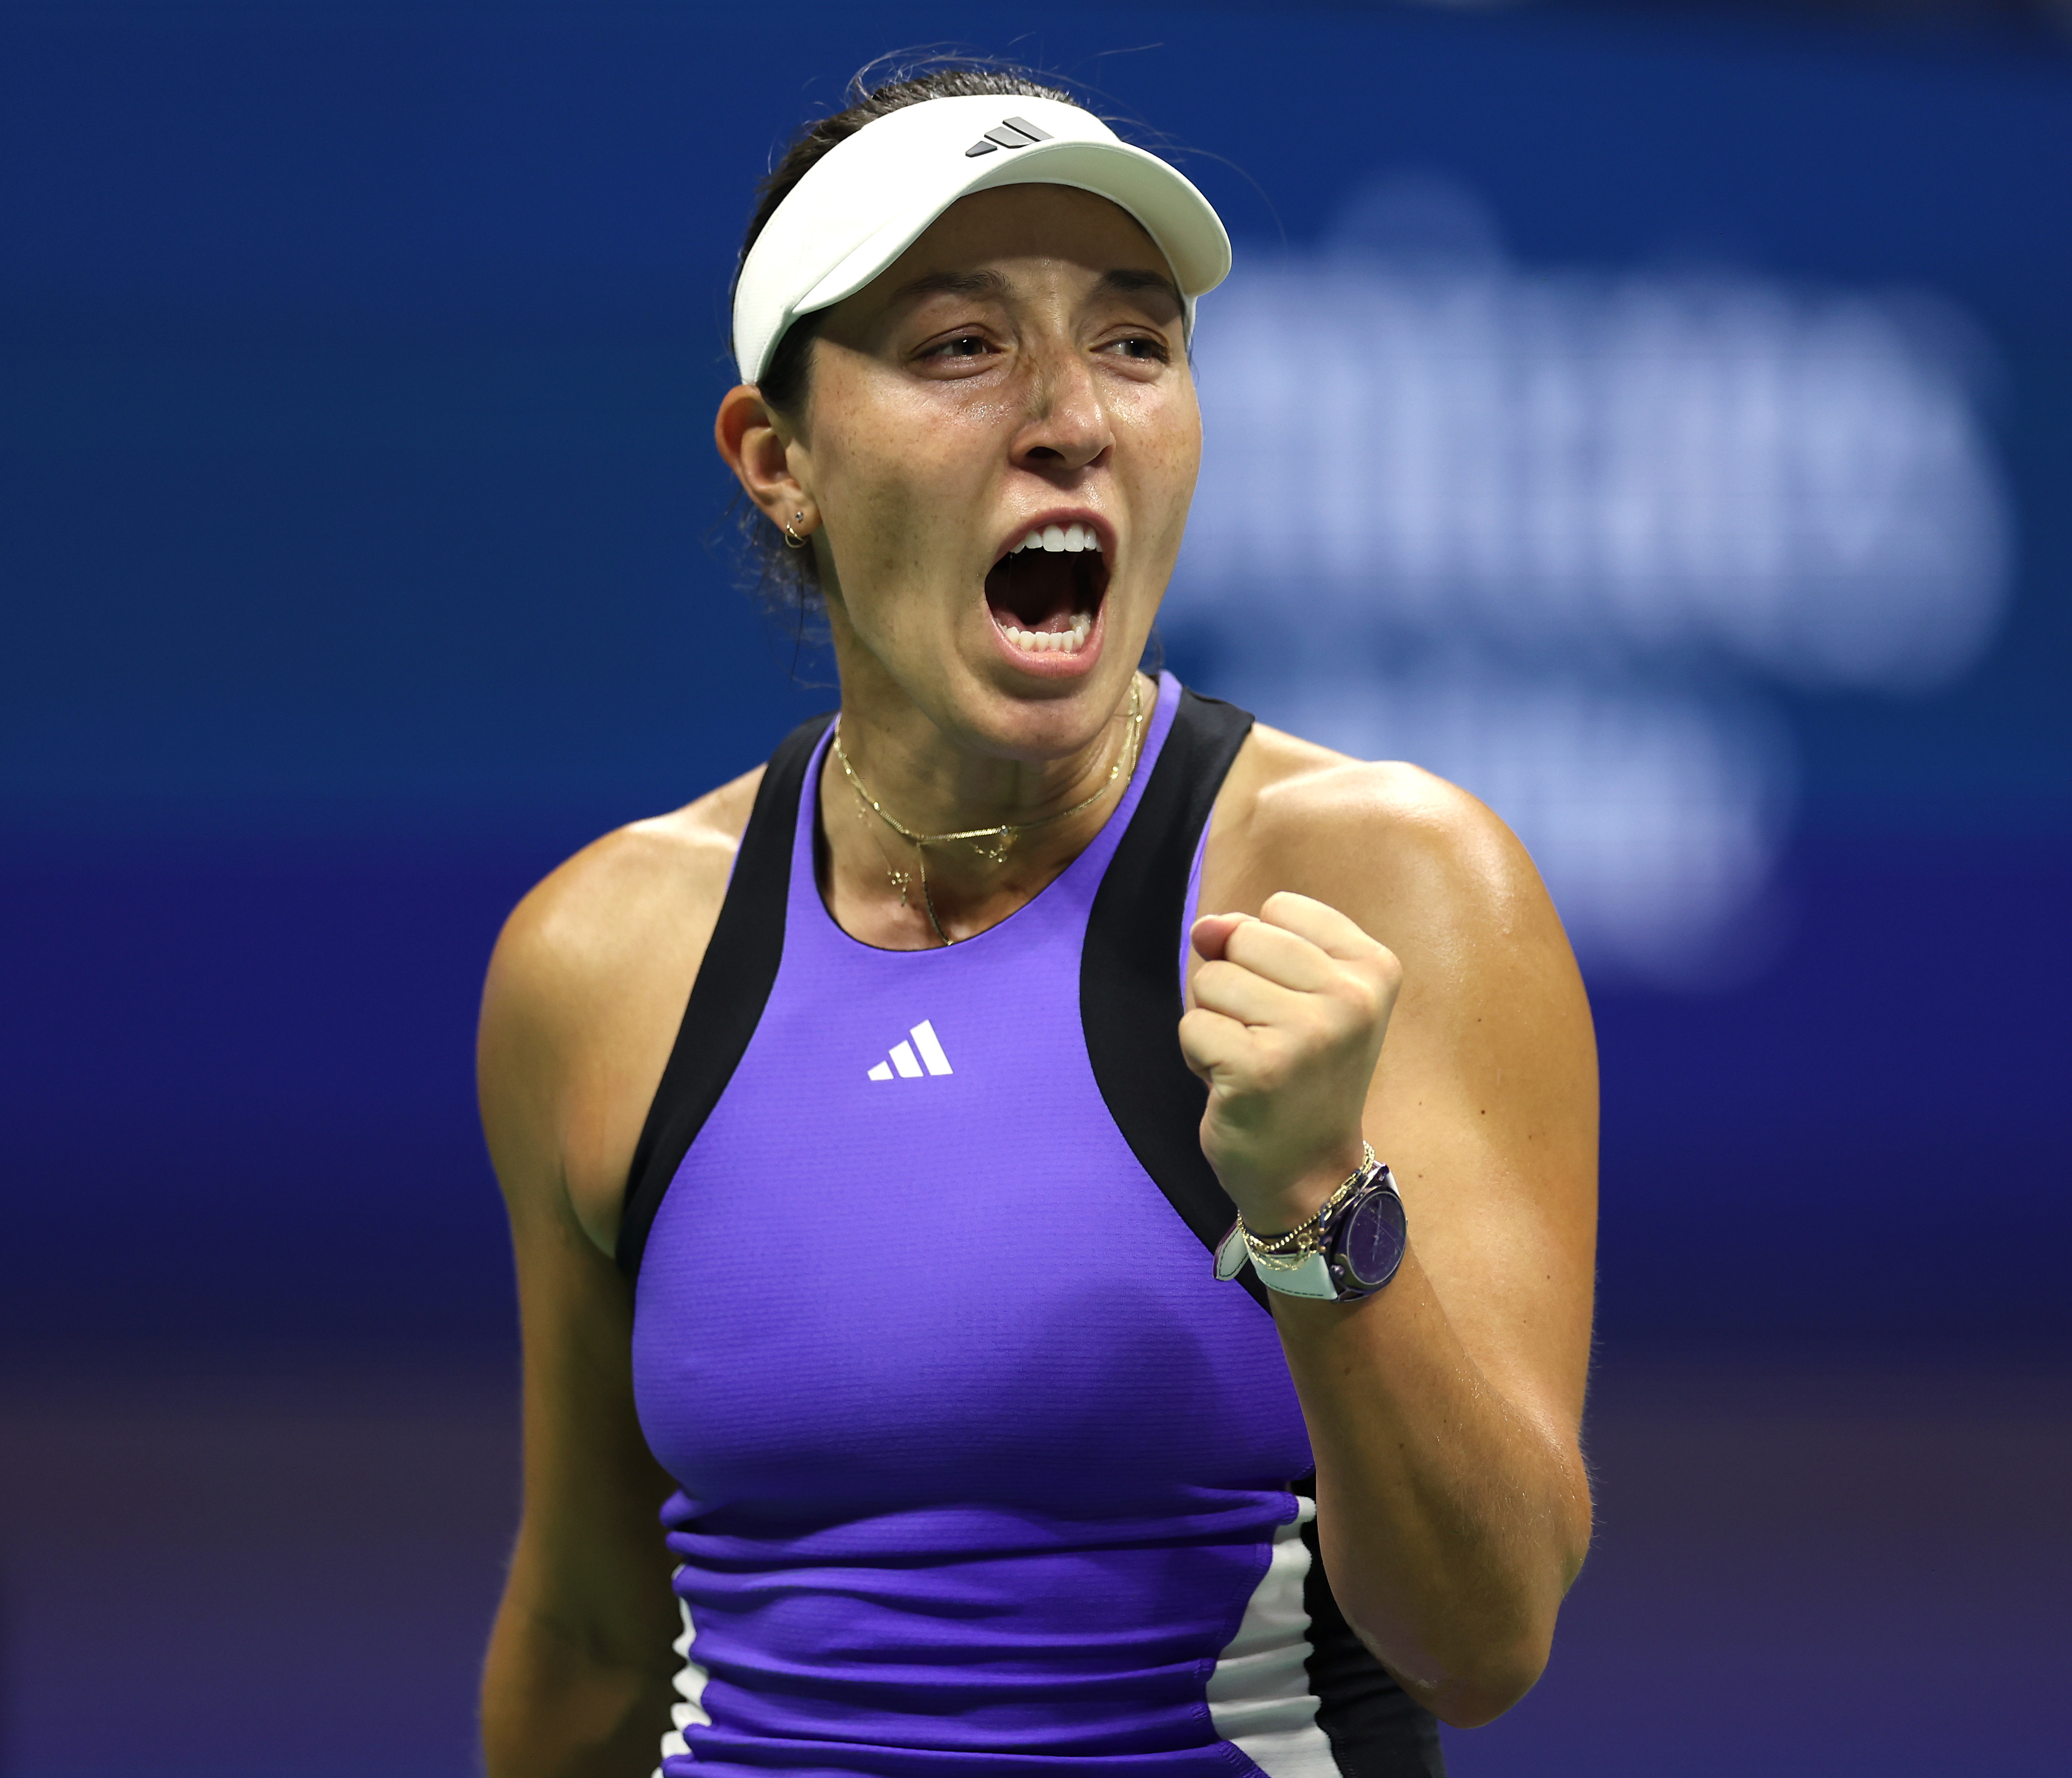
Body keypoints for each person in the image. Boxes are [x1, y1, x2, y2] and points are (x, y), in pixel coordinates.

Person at [475, 62, 1596, 1778]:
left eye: (1135, 342)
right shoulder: (601, 958)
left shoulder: (1391, 884)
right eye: (961, 345)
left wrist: (1312, 1203)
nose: (1072, 412)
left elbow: (1483, 1637)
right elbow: (589, 1631)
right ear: (778, 459)